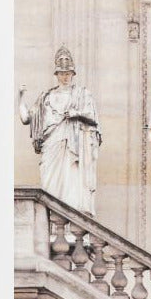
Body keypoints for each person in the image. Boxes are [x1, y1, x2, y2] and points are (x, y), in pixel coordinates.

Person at [18, 46, 101, 215]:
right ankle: (52, 219)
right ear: (57, 75)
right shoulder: (46, 97)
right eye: (62, 73)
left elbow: (92, 117)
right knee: (50, 183)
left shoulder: (82, 94)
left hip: (72, 143)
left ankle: (71, 219)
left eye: (68, 73)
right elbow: (26, 118)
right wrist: (20, 97)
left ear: (73, 74)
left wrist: (76, 114)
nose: (65, 77)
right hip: (51, 144)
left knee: (72, 180)